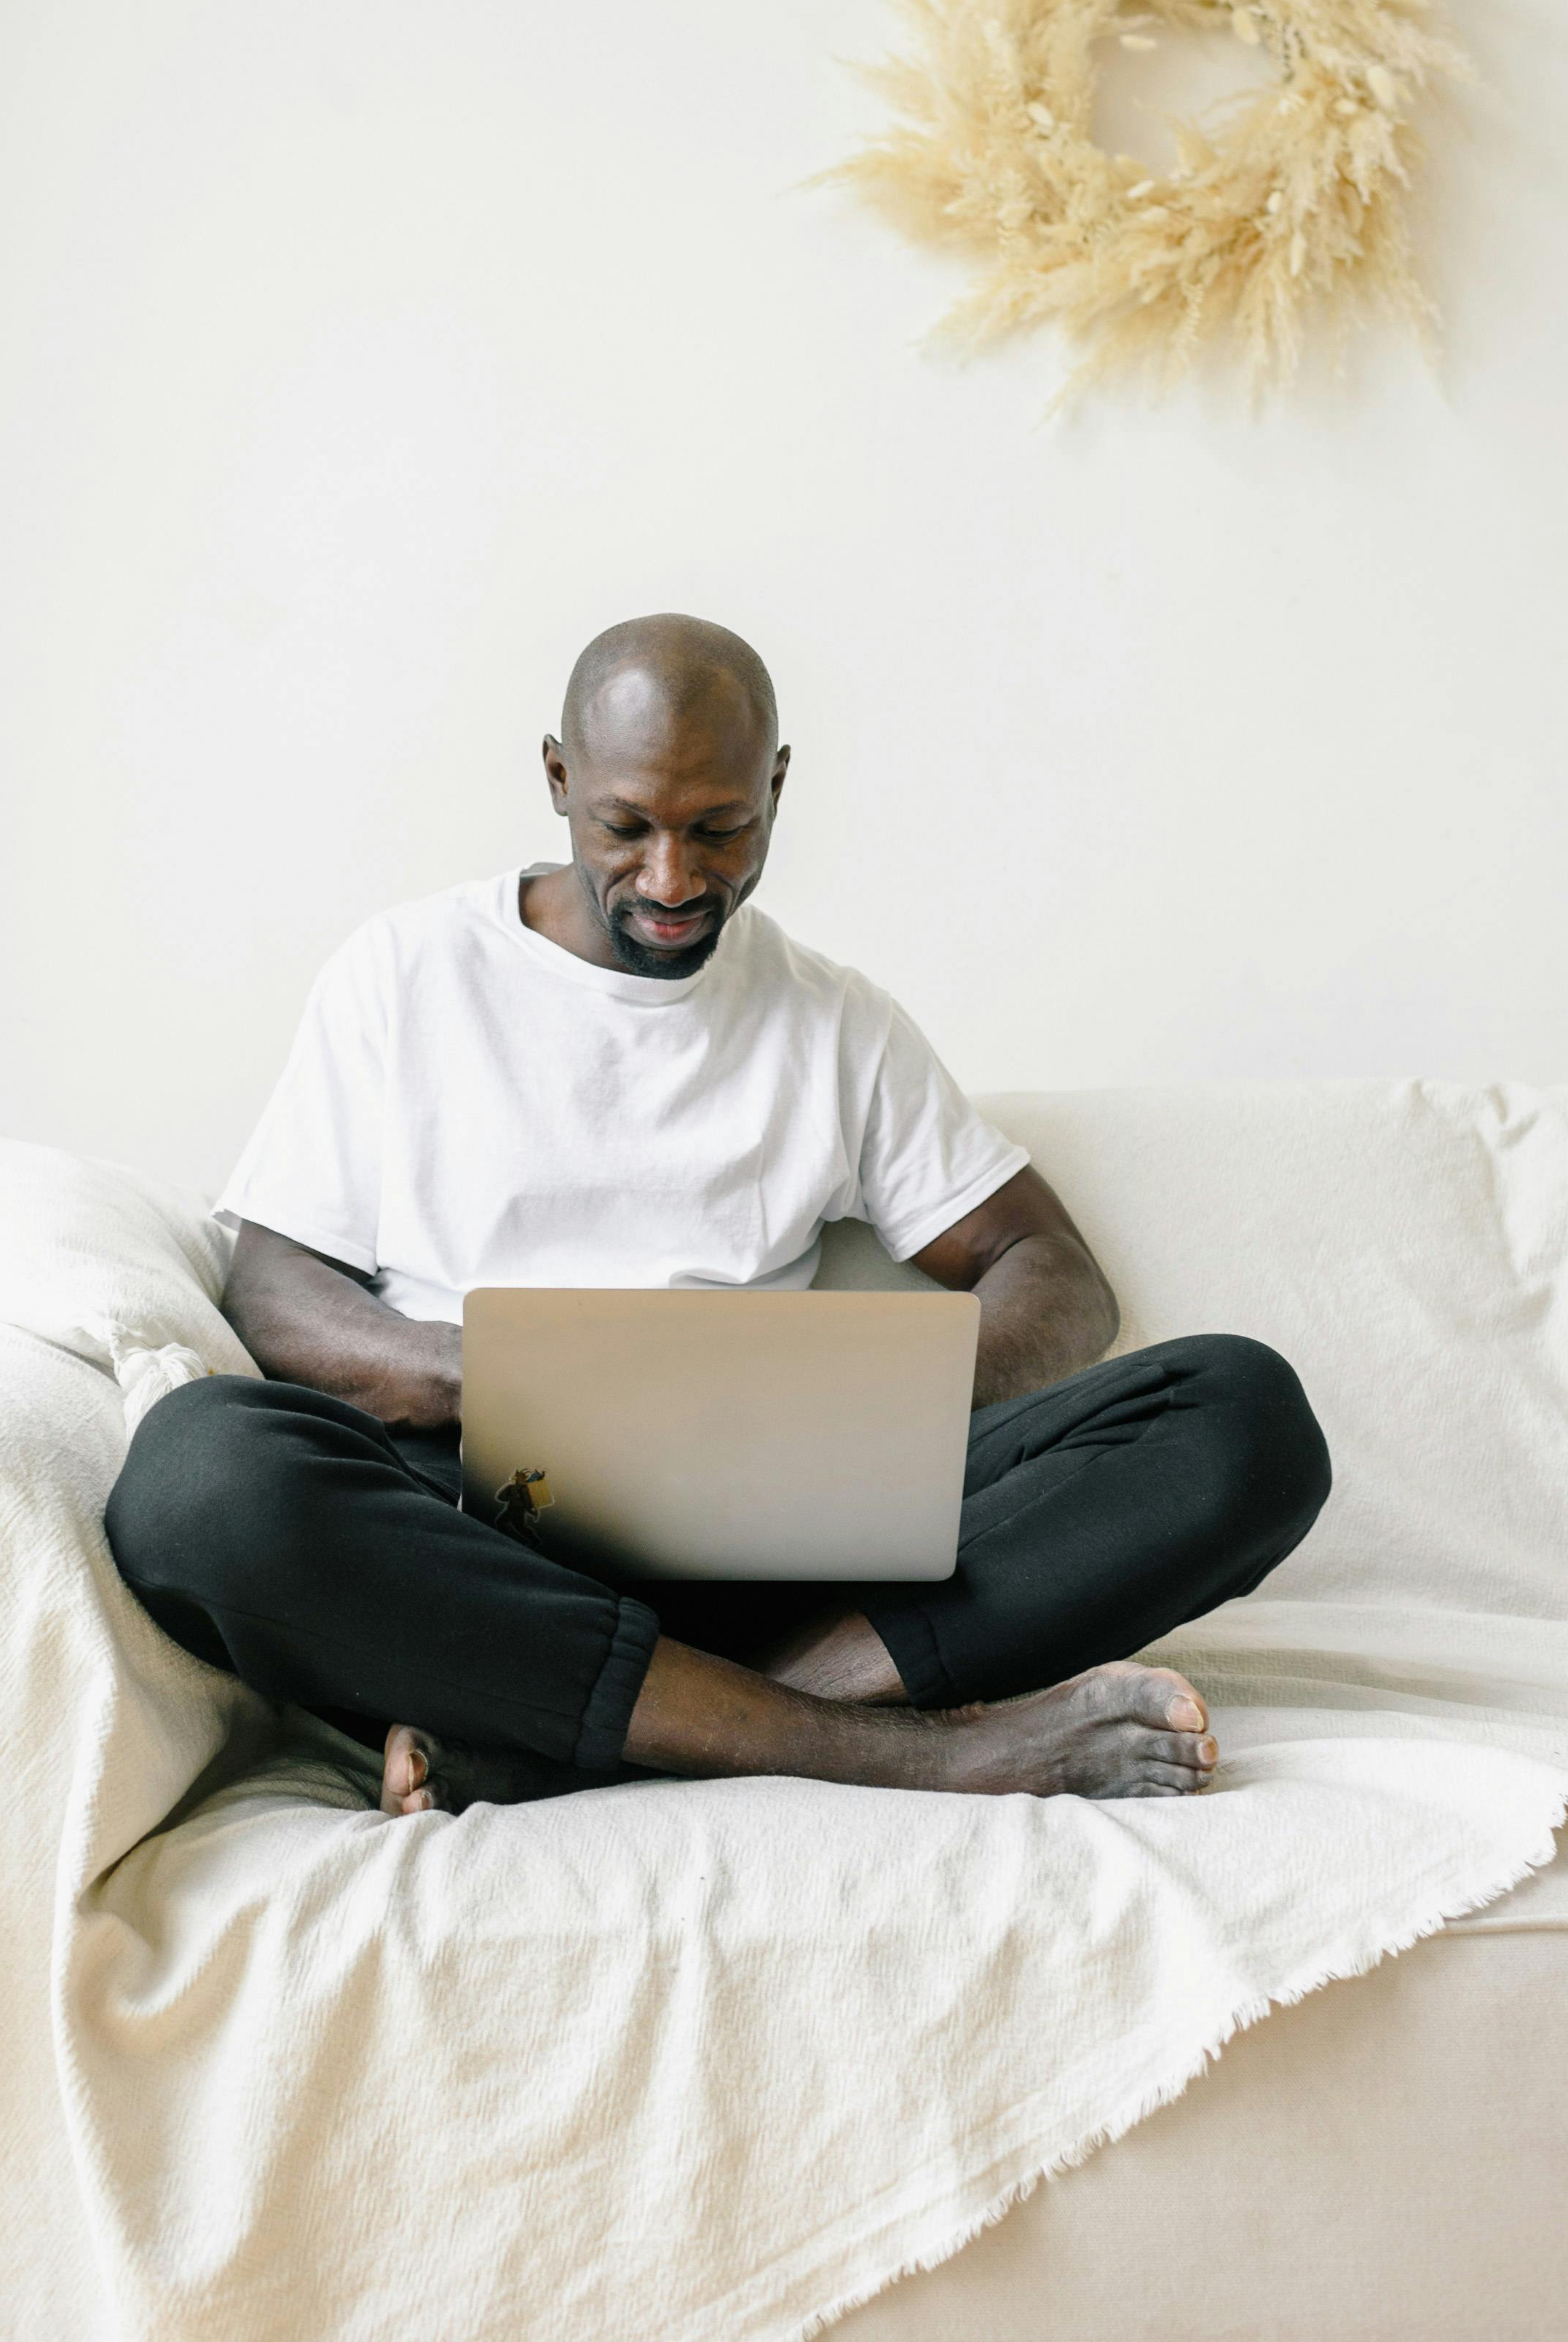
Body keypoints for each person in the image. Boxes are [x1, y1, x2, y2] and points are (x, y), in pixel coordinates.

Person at [108, 614, 1330, 1817]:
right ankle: (909, 1754)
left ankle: (631, 1738)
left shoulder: (832, 1021)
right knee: (197, 1478)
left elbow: (1050, 1272)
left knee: (1237, 1415)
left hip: (772, 1533)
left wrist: (864, 1393)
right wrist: (512, 1378)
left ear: (777, 788)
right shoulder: (405, 973)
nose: (672, 880)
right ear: (555, 779)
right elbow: (271, 1286)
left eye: (720, 829)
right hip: (480, 1526)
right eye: (624, 828)